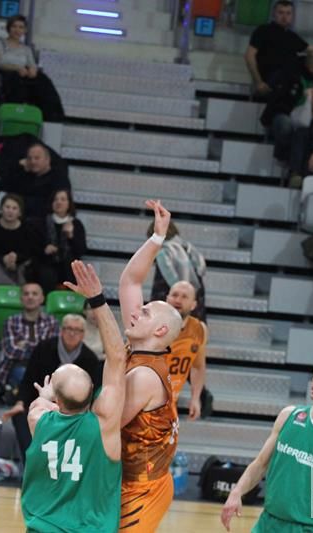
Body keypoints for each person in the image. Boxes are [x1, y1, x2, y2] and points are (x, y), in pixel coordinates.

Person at [20, 262, 125, 532]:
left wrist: (46, 396)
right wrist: (97, 299)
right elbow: (117, 356)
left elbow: (39, 405)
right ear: (92, 393)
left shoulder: (38, 419)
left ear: (56, 399)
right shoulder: (104, 425)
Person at [220, 354, 313, 533]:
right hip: (268, 524)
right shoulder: (288, 415)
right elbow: (260, 464)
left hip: (311, 529)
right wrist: (237, 492)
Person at [117, 199, 183, 532]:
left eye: (144, 313)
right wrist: (157, 238)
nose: (135, 313)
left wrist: (56, 415)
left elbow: (107, 423)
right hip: (129, 477)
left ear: (159, 331)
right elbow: (130, 281)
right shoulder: (140, 347)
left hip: (143, 486)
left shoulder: (144, 375)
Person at [2, 313, 103, 459]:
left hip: (73, 411)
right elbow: (28, 380)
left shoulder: (90, 359)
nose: (72, 333)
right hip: (41, 403)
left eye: (77, 330)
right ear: (61, 330)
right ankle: (30, 462)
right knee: (20, 415)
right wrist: (20, 402)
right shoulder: (43, 348)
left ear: (83, 334)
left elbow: (90, 394)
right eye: (69, 328)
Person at [244, 0, 313, 99]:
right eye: (281, 13)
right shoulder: (263, 31)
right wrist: (258, 82)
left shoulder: (292, 37)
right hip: (271, 80)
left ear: (292, 16)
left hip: (290, 80)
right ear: (274, 14)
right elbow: (249, 56)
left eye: (288, 13)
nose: (284, 17)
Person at [0, 15, 65, 122]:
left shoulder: (26, 49)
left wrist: (33, 70)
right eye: (14, 26)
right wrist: (17, 68)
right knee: (16, 81)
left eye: (21, 27)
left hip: (24, 75)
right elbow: (0, 62)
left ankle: (53, 116)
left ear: (25, 30)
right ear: (8, 28)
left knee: (44, 80)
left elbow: (32, 64)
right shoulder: (0, 43)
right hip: (8, 74)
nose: (17, 30)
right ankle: (15, 115)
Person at [0, 282, 59, 391]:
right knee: (25, 375)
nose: (30, 297)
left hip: (43, 368)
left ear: (42, 299)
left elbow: (50, 352)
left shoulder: (52, 322)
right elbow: (11, 352)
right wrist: (38, 348)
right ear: (21, 299)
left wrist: (25, 345)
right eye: (26, 294)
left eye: (34, 294)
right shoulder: (11, 321)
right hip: (16, 367)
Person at [149, 221, 207, 322]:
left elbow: (162, 288)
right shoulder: (188, 247)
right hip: (194, 299)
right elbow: (201, 270)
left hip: (172, 308)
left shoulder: (164, 253)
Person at [165, 281, 207, 420]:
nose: (178, 300)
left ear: (193, 305)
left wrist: (195, 398)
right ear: (167, 299)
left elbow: (198, 367)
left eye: (184, 297)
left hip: (169, 405)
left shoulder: (199, 329)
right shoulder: (150, 325)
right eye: (174, 295)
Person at [34, 189, 87, 295]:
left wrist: (71, 236)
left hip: (68, 264)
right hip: (46, 262)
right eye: (56, 199)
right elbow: (33, 247)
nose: (59, 202)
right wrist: (44, 250)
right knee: (45, 273)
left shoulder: (76, 224)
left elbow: (81, 250)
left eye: (63, 199)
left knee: (73, 269)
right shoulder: (41, 222)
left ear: (69, 203)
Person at [0, 143, 72, 219]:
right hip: (19, 219)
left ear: (47, 160)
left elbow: (55, 205)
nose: (32, 161)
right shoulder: (24, 174)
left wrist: (22, 202)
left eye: (37, 158)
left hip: (45, 220)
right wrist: (18, 166)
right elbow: (2, 186)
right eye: (29, 158)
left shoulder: (59, 178)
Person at [0, 194, 39, 286]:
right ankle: (12, 287)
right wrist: (3, 259)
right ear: (1, 209)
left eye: (14, 208)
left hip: (19, 264)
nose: (10, 211)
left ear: (19, 212)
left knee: (31, 266)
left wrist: (16, 258)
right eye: (7, 207)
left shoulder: (27, 228)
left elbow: (30, 252)